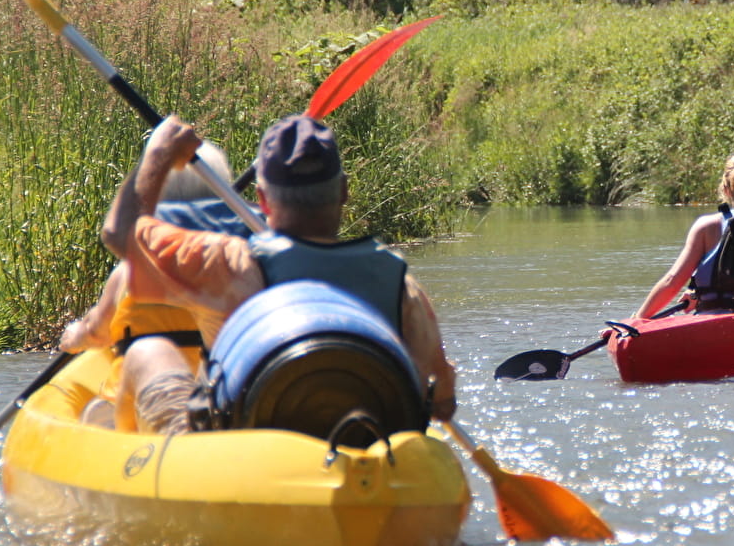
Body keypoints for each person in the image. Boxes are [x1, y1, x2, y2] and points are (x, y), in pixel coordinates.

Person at [100, 113, 457, 435]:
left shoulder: (228, 264)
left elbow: (120, 234)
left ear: (262, 198)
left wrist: (159, 152)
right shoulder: (400, 282)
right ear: (344, 192)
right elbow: (441, 400)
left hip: (244, 451)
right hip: (370, 446)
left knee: (147, 350)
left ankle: (127, 462)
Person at [59, 141, 258, 429]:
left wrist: (75, 335)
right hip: (218, 405)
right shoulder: (238, 266)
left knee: (96, 412)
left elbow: (97, 333)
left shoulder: (129, 272)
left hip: (142, 411)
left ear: (157, 199)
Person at [633, 149, 734, 319]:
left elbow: (672, 282)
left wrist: (635, 322)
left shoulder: (706, 227)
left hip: (712, 326)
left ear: (726, 189)